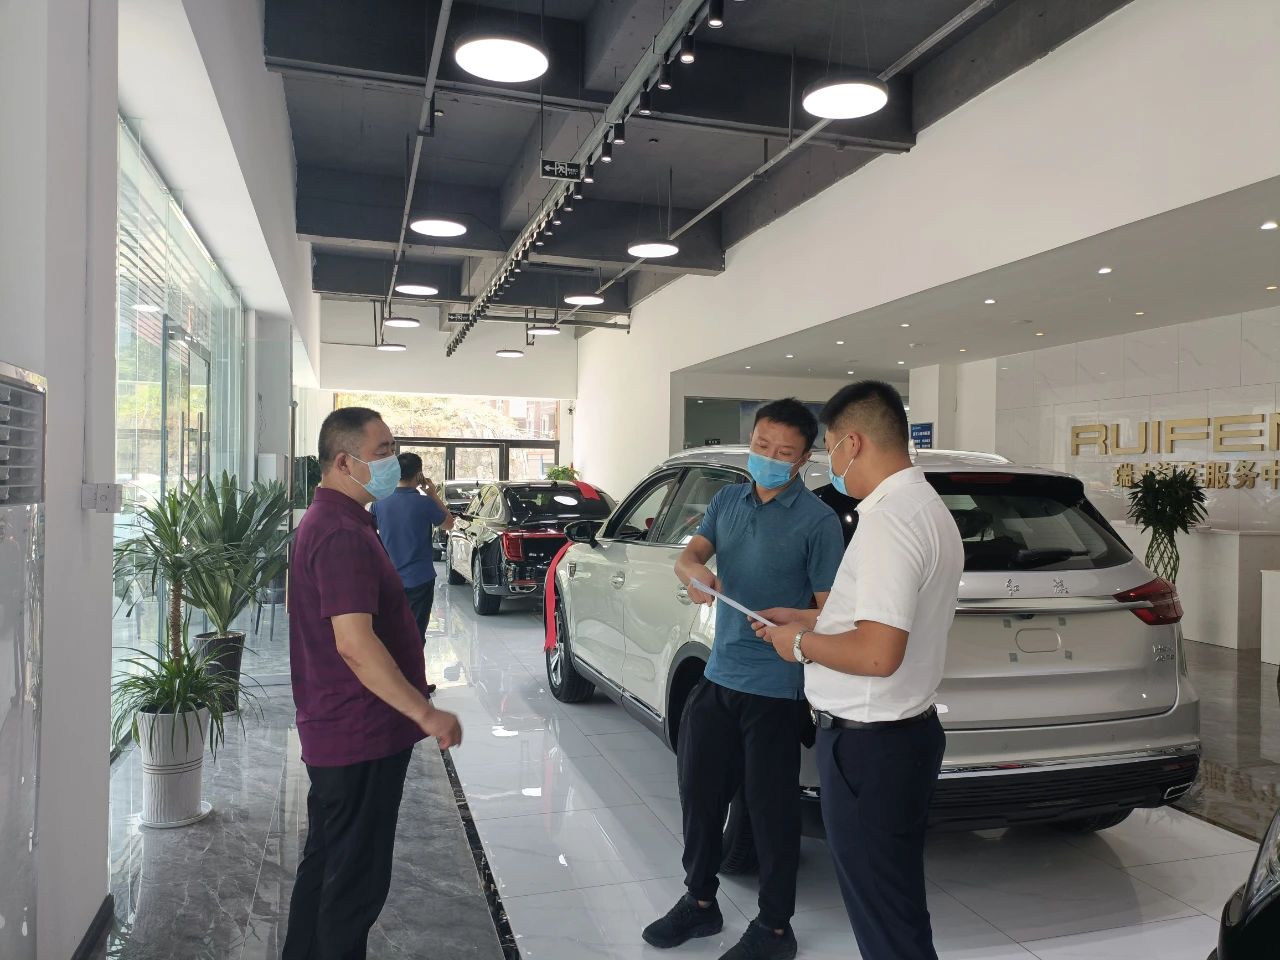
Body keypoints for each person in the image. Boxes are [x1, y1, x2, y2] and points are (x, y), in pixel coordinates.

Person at [753, 381, 963, 960]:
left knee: (885, 918)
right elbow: (880, 620)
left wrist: (799, 645)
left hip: (870, 748)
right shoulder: (926, 508)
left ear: (853, 443)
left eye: (828, 447)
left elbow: (877, 654)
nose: (830, 463)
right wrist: (808, 619)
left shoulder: (890, 523)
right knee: (894, 904)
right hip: (903, 737)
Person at [643, 399, 845, 960]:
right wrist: (692, 571)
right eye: (761, 446)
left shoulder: (818, 522)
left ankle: (776, 927)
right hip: (719, 674)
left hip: (776, 689)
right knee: (698, 793)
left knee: (769, 810)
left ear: (804, 459)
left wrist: (793, 617)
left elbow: (833, 612)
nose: (769, 459)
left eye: (784, 452)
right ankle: (699, 902)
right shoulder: (728, 500)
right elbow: (692, 555)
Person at [283, 406, 463, 960]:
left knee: (328, 869)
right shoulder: (339, 533)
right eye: (383, 451)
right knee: (352, 890)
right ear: (345, 462)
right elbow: (355, 645)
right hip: (359, 734)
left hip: (341, 730)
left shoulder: (341, 522)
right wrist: (426, 713)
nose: (392, 460)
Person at [370, 452, 454, 640]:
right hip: (420, 579)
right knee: (415, 635)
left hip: (388, 580)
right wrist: (433, 494)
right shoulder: (425, 503)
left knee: (390, 635)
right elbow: (449, 524)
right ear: (419, 475)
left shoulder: (379, 503)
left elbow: (370, 533)